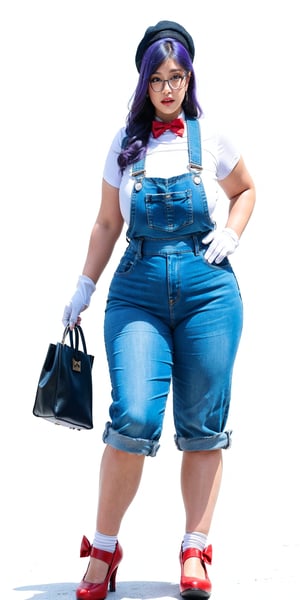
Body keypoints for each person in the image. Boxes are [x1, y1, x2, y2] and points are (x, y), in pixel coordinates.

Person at [62, 20, 255, 600]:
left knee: (202, 424)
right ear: (143, 82)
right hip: (137, 290)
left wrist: (234, 232)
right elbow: (106, 222)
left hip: (208, 293)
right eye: (158, 79)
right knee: (135, 418)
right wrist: (84, 284)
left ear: (188, 78)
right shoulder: (125, 145)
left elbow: (247, 189)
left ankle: (195, 548)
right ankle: (103, 546)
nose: (168, 89)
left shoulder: (211, 134)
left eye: (177, 77)